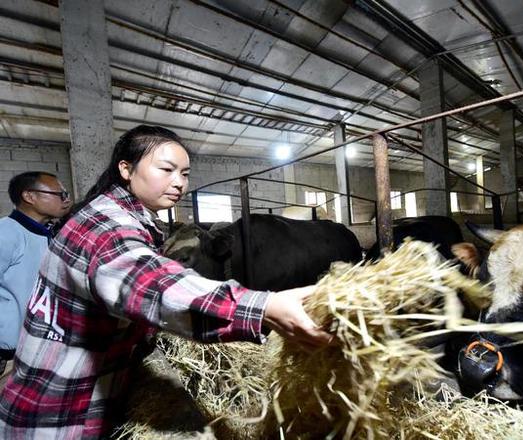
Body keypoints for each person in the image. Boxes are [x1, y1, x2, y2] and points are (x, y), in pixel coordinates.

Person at [0, 125, 332, 438]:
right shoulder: (104, 227)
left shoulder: (124, 216)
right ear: (126, 169)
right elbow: (152, 283)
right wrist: (264, 306)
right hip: (58, 413)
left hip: (79, 394)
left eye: (184, 173)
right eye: (166, 169)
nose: (179, 183)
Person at [0, 171, 71, 390]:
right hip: (7, 351)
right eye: (59, 193)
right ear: (29, 196)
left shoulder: (48, 235)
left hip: (37, 345)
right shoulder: (7, 232)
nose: (65, 199)